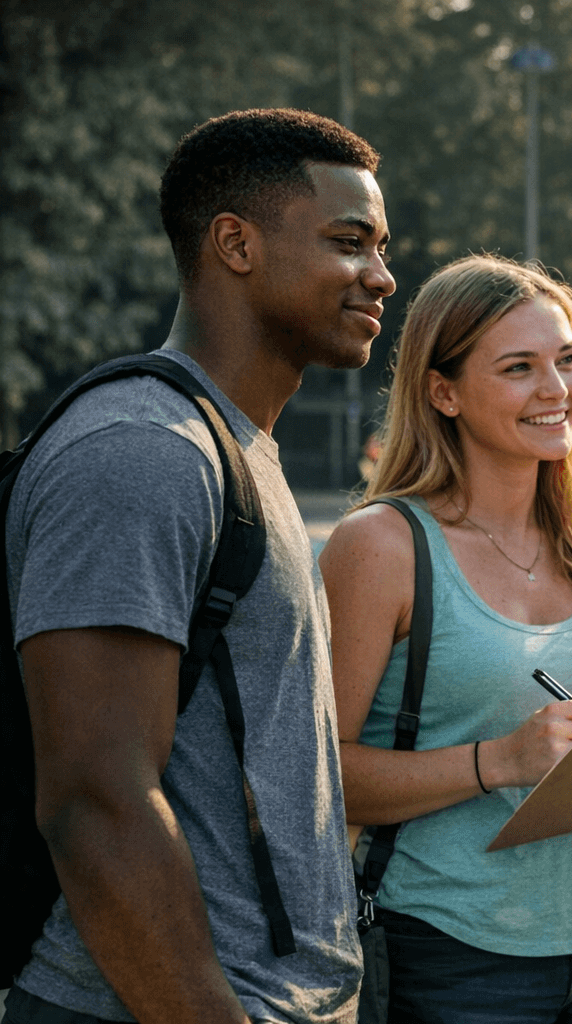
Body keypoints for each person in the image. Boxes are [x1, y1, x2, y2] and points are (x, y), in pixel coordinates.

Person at [4, 109, 393, 1024]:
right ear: (235, 244)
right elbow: (97, 801)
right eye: (350, 243)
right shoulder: (144, 451)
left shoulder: (233, 445)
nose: (381, 276)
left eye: (382, 247)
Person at [319, 254, 572, 1024]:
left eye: (566, 360)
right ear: (444, 392)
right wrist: (501, 761)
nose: (556, 390)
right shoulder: (381, 546)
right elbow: (318, 782)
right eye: (519, 367)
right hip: (451, 955)